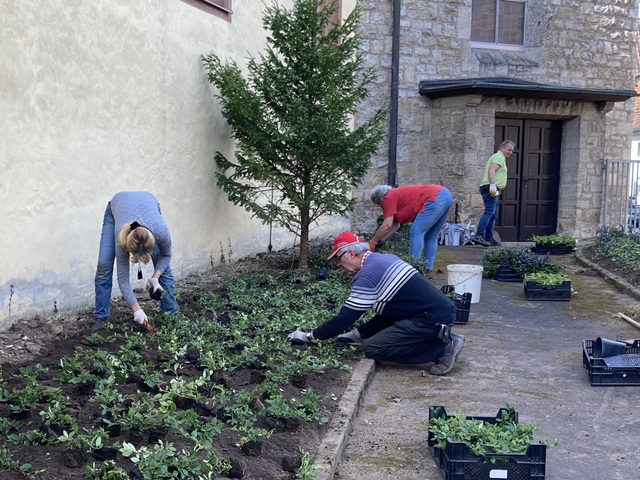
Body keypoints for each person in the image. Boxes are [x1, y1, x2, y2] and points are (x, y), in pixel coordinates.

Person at [287, 232, 464, 375]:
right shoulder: (382, 260)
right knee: (374, 340)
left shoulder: (367, 275)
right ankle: (441, 338)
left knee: (374, 348)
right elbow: (391, 314)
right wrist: (356, 334)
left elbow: (345, 318)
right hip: (435, 313)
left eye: (338, 259)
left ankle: (442, 349)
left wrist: (310, 336)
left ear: (350, 253)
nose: (338, 264)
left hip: (429, 318)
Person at [92, 191, 179, 331]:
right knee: (104, 264)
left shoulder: (160, 231)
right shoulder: (121, 237)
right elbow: (123, 279)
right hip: (115, 209)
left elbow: (166, 255)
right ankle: (101, 317)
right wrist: (136, 309)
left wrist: (155, 278)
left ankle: (172, 316)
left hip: (149, 204)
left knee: (164, 270)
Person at [368, 184, 453, 273]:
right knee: (431, 236)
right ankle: (428, 268)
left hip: (433, 197)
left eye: (378, 204)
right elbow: (394, 226)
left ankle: (412, 268)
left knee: (416, 231)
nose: (381, 207)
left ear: (380, 198)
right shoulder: (396, 196)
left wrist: (373, 241)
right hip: (445, 195)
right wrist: (380, 242)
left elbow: (386, 225)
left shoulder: (388, 198)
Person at [473, 140, 516, 247]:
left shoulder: (500, 157)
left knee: (493, 214)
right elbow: (492, 170)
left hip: (494, 188)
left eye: (512, 151)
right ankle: (479, 235)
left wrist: (497, 188)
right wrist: (492, 185)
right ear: (502, 148)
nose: (510, 152)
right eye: (509, 150)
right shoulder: (498, 157)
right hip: (490, 187)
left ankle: (488, 238)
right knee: (489, 211)